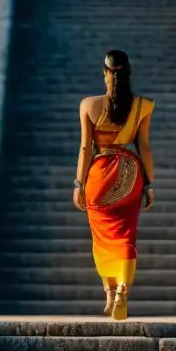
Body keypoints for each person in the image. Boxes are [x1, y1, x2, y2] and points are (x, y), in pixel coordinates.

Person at [73, 50, 156, 321]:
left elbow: (86, 147)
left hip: (99, 175)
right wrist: (150, 184)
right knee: (125, 236)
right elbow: (143, 146)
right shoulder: (143, 106)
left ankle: (108, 293)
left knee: (102, 238)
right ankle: (121, 291)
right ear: (128, 73)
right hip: (131, 173)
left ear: (105, 73)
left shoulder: (88, 104)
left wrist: (78, 183)